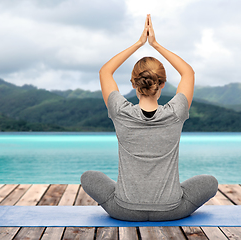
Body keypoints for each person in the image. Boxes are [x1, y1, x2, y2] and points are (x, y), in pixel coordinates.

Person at [81, 14, 218, 221]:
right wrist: (155, 44)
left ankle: (137, 196)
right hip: (171, 210)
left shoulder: (120, 111)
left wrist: (139, 43)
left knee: (88, 177)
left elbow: (105, 72)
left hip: (124, 210)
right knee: (210, 182)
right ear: (162, 84)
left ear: (133, 84)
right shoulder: (176, 112)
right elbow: (188, 73)